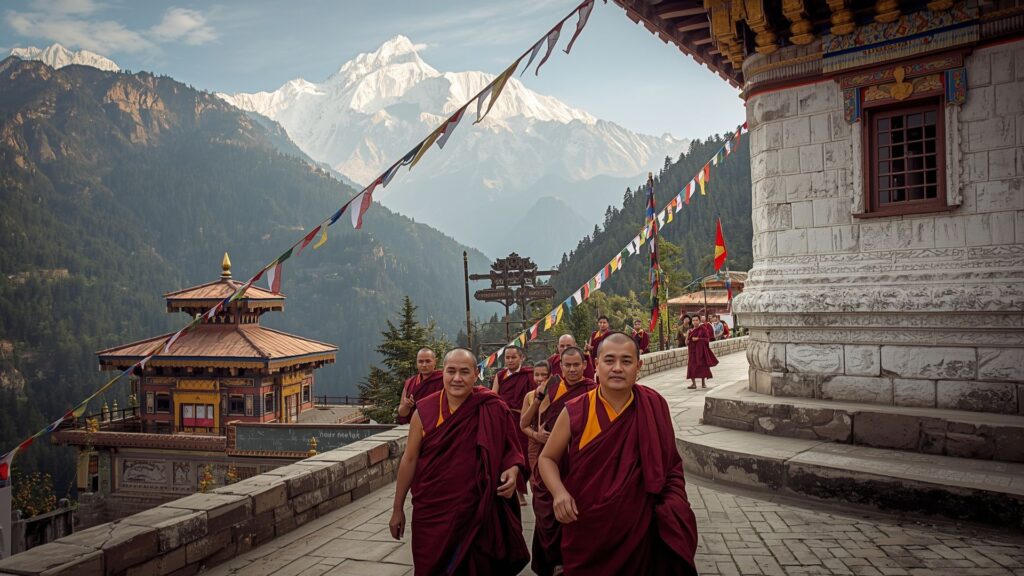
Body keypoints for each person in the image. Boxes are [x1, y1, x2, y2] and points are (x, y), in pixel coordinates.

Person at [537, 332, 699, 575]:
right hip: (587, 523)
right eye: (609, 360)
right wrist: (559, 493)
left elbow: (670, 465)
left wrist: (674, 505)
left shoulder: (654, 405)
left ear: (639, 366)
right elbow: (547, 458)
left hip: (640, 528)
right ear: (596, 364)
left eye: (626, 361)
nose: (617, 368)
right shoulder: (576, 410)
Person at [389, 348, 530, 575]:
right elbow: (409, 459)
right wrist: (397, 509)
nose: (457, 378)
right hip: (433, 510)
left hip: (479, 508)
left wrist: (512, 471)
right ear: (443, 372)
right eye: (451, 371)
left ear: (476, 374)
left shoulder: (492, 406)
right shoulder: (424, 411)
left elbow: (511, 450)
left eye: (464, 372)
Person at [519, 347, 597, 576]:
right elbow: (527, 423)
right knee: (547, 514)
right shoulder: (550, 388)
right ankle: (552, 562)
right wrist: (537, 435)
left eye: (576, 365)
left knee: (575, 513)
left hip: (577, 460)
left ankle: (572, 562)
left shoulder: (593, 389)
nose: (572, 370)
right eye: (567, 365)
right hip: (550, 459)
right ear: (560, 366)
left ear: (585, 365)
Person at [491, 346, 535, 504]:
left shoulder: (529, 375)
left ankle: (526, 486)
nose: (509, 360)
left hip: (524, 420)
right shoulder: (500, 375)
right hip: (506, 420)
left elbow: (535, 397)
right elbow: (493, 397)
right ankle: (518, 491)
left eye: (513, 357)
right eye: (507, 357)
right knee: (511, 454)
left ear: (521, 358)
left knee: (526, 456)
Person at [519, 361, 551, 486]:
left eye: (544, 375)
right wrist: (538, 399)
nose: (540, 378)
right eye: (536, 375)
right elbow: (523, 424)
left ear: (551, 376)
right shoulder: (530, 396)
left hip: (553, 442)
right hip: (534, 443)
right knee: (535, 481)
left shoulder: (558, 393)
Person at [396, 348, 444, 425]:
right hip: (415, 425)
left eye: (428, 361)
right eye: (420, 361)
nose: (424, 365)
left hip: (437, 424)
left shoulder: (443, 379)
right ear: (417, 363)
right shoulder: (410, 382)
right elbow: (402, 413)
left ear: (435, 361)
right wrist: (407, 405)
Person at [687, 314, 718, 389]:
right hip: (692, 351)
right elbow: (686, 342)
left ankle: (703, 383)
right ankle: (693, 384)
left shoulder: (703, 329)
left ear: (699, 321)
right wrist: (687, 334)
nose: (695, 322)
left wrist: (698, 339)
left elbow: (707, 339)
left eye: (696, 320)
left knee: (702, 366)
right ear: (692, 322)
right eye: (693, 320)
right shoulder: (690, 330)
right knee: (691, 367)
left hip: (701, 351)